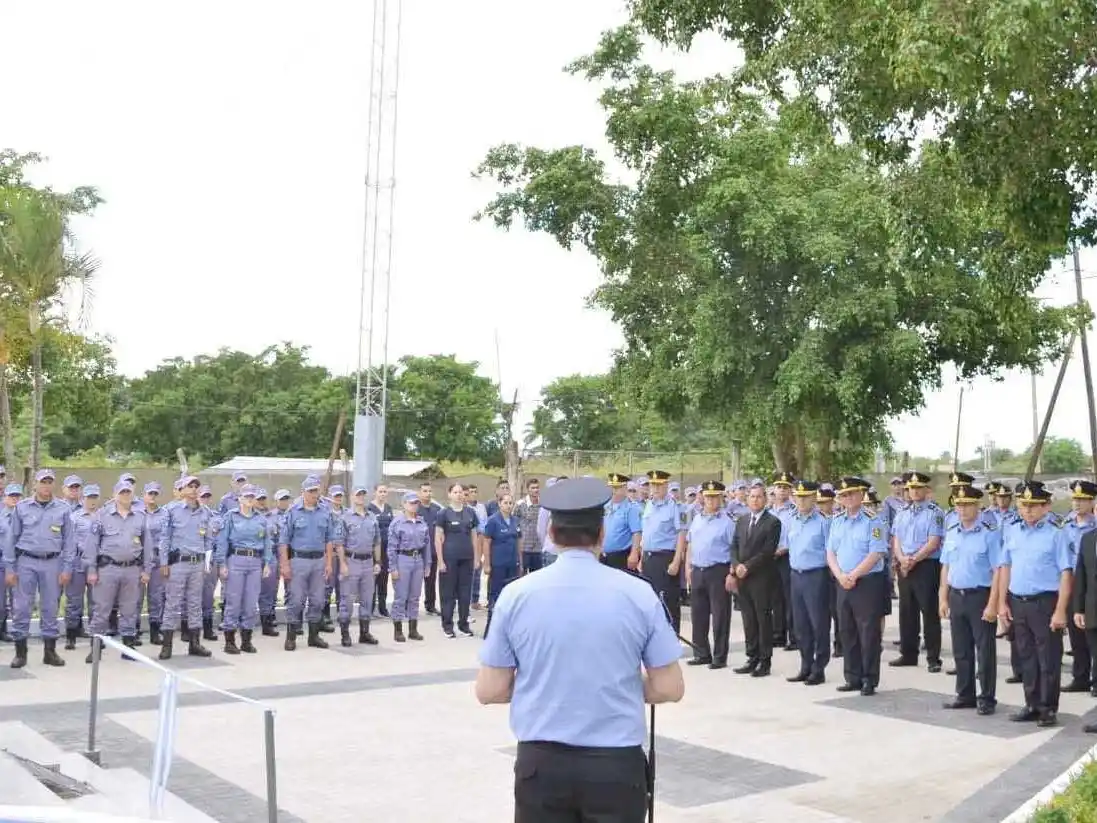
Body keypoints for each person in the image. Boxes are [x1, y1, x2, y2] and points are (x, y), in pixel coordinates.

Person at [476, 476, 685, 823]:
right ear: (602, 535)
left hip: (542, 768)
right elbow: (670, 687)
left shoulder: (516, 595)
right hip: (615, 766)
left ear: (552, 535)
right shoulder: (638, 594)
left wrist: (544, 685)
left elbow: (489, 689)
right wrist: (618, 686)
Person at [999, 480, 1075, 727]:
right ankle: (1031, 704)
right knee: (1026, 657)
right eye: (1024, 505)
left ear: (1046, 506)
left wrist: (1061, 610)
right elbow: (1005, 567)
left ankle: (1048, 707)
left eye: (1034, 505)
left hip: (1045, 602)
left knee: (1048, 658)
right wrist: (1002, 602)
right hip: (1018, 601)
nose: (1028, 510)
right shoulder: (1013, 531)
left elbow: (1066, 573)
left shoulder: (1056, 533)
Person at [938, 484, 1002, 715]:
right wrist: (943, 597)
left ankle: (986, 697)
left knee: (984, 650)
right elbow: (946, 566)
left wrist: (993, 604)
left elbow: (998, 571)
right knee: (961, 650)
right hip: (957, 595)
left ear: (978, 506)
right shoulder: (952, 531)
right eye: (958, 505)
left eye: (967, 505)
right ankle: (965, 694)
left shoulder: (989, 534)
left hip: (980, 596)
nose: (962, 509)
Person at [4, 469, 75, 669]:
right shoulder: (22, 507)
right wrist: (10, 567)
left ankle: (49, 652)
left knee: (50, 606)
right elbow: (11, 539)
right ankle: (21, 652)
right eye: (42, 482)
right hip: (25, 561)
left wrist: (67, 567)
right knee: (21, 607)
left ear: (54, 484)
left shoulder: (63, 509)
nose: (46, 486)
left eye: (49, 482)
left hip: (52, 563)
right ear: (35, 484)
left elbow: (69, 541)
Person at [827, 477, 888, 696]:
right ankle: (852, 676)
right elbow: (830, 552)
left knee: (868, 632)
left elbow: (876, 552)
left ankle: (869, 678)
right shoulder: (837, 520)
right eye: (843, 495)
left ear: (862, 495)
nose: (847, 498)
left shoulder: (873, 520)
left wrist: (853, 575)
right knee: (846, 630)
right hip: (843, 581)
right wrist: (840, 575)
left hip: (866, 582)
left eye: (851, 494)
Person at [82, 482, 154, 662]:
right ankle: (96, 648)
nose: (125, 495)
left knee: (130, 610)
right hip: (108, 569)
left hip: (132, 569)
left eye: (128, 492)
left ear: (133, 494)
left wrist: (147, 569)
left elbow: (148, 545)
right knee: (101, 610)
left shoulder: (140, 517)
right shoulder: (102, 516)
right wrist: (91, 569)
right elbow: (92, 545)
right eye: (121, 492)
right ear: (114, 494)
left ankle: (128, 648)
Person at [889, 470, 946, 673]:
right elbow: (895, 539)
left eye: (918, 488)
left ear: (926, 490)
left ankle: (933, 657)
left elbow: (934, 542)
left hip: (925, 565)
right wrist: (902, 558)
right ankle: (908, 653)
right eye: (911, 488)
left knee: (929, 611)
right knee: (907, 611)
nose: (913, 492)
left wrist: (914, 559)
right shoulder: (902, 512)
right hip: (905, 564)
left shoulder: (934, 513)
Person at [158, 476, 214, 660]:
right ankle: (167, 645)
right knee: (172, 603)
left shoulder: (205, 512)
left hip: (197, 563)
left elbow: (208, 540)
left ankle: (194, 643)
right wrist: (164, 562)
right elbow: (165, 538)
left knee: (195, 604)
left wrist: (207, 563)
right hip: (178, 563)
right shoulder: (171, 510)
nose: (194, 489)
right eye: (190, 486)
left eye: (196, 486)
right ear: (181, 490)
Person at [279, 475, 336, 652]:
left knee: (318, 600)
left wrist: (328, 563)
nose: (314, 494)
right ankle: (291, 636)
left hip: (318, 560)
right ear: (303, 492)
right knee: (296, 600)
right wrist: (285, 565)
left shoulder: (325, 512)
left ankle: (313, 636)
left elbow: (329, 540)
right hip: (299, 560)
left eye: (316, 491)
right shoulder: (293, 512)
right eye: (310, 491)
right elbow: (283, 542)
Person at [729, 483, 781, 676]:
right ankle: (752, 657)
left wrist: (747, 567)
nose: (755, 500)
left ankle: (765, 661)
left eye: (759, 496)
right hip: (743, 578)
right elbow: (734, 546)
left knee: (763, 618)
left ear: (765, 500)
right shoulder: (741, 520)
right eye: (752, 496)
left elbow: (768, 551)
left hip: (761, 577)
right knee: (748, 618)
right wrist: (736, 565)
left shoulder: (773, 522)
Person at [783, 480, 832, 685]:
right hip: (796, 574)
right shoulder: (791, 519)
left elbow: (831, 551)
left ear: (814, 498)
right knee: (800, 624)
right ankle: (805, 665)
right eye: (798, 497)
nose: (801, 501)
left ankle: (819, 668)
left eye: (806, 497)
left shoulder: (824, 521)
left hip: (816, 575)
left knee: (818, 623)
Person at [216, 485, 274, 655]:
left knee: (251, 602)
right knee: (233, 601)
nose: (249, 499)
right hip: (236, 559)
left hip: (255, 561)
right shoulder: (231, 517)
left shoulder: (261, 519)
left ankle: (246, 640)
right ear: (239, 498)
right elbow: (222, 541)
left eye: (252, 496)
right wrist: (222, 564)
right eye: (246, 496)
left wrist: (267, 563)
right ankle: (230, 640)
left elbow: (267, 543)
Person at [686, 480, 734, 669]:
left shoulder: (727, 522)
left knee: (720, 615)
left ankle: (719, 656)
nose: (711, 501)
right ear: (702, 498)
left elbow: (734, 549)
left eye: (715, 497)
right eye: (708, 497)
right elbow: (690, 543)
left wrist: (731, 573)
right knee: (698, 614)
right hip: (698, 569)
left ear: (721, 498)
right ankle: (701, 653)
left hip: (718, 570)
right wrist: (688, 567)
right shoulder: (697, 519)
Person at [640, 469, 688, 634]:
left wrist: (676, 561)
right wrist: (641, 558)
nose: (655, 488)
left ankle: (673, 637)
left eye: (659, 485)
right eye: (653, 485)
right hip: (648, 557)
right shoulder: (648, 505)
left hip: (665, 557)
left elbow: (681, 534)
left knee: (668, 601)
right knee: (650, 600)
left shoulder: (675, 506)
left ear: (666, 485)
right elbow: (646, 533)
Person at [335, 486, 381, 646]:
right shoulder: (345, 518)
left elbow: (377, 542)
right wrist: (342, 564)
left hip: (368, 562)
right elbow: (339, 544)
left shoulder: (372, 517)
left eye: (363, 494)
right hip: (351, 561)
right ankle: (345, 634)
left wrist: (377, 562)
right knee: (347, 599)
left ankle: (364, 632)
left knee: (367, 599)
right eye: (358, 494)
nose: (361, 497)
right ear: (352, 498)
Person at [1063, 480, 1097, 693]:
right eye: (1075, 499)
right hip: (1070, 582)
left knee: (1092, 635)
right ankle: (1080, 676)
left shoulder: (1094, 526)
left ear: (1092, 502)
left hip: (1090, 585)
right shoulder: (1066, 523)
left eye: (1082, 499)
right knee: (1076, 633)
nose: (1077, 503)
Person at [436, 483, 479, 638]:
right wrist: (440, 560)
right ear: (449, 494)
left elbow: (475, 537)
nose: (459, 495)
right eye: (455, 492)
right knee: (448, 593)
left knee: (465, 593)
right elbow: (438, 538)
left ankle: (463, 624)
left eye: (461, 492)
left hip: (466, 558)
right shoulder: (443, 514)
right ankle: (447, 625)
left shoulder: (471, 513)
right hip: (449, 558)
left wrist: (476, 557)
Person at [388, 492, 432, 642]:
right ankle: (398, 629)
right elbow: (392, 547)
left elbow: (427, 544)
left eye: (416, 503)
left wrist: (428, 563)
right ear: (404, 504)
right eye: (411, 503)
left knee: (415, 596)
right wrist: (393, 568)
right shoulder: (397, 523)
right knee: (401, 596)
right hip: (403, 559)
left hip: (418, 559)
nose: (414, 506)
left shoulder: (421, 522)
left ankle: (413, 629)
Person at [64, 484, 101, 649]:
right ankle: (71, 636)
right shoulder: (74, 517)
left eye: (95, 497)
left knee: (96, 602)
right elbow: (69, 542)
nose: (92, 501)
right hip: (78, 562)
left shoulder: (104, 517)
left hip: (98, 564)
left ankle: (96, 637)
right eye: (89, 497)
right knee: (74, 601)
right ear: (83, 499)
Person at [482, 492, 521, 636]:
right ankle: (490, 630)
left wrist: (520, 563)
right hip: (497, 564)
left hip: (512, 564)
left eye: (511, 503)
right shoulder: (493, 520)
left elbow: (518, 542)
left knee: (510, 598)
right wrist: (487, 563)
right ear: (499, 503)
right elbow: (486, 542)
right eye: (505, 503)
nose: (508, 506)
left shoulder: (515, 520)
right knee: (495, 596)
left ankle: (507, 630)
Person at [769, 471, 798, 650]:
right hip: (770, 558)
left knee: (790, 597)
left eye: (786, 488)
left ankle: (794, 637)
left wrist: (783, 549)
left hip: (787, 556)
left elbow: (796, 537)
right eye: (779, 487)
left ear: (790, 491)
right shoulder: (769, 511)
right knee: (775, 598)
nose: (782, 490)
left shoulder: (794, 511)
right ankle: (778, 634)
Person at [602, 473, 641, 571]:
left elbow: (636, 532)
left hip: (621, 556)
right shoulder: (605, 506)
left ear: (625, 488)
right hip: (603, 555)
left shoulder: (631, 508)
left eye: (617, 488)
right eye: (612, 487)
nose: (614, 491)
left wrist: (634, 553)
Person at [369, 484, 394, 617]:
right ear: (375, 493)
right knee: (373, 578)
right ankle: (371, 607)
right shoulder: (369, 508)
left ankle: (383, 607)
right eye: (380, 491)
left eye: (385, 492)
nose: (383, 494)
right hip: (374, 549)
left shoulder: (388, 508)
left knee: (384, 578)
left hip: (387, 548)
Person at [515, 478, 543, 574]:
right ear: (528, 489)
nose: (536, 490)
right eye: (533, 488)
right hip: (524, 548)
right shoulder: (520, 504)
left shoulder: (543, 504)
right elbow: (515, 522)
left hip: (538, 548)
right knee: (521, 576)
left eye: (537, 487)